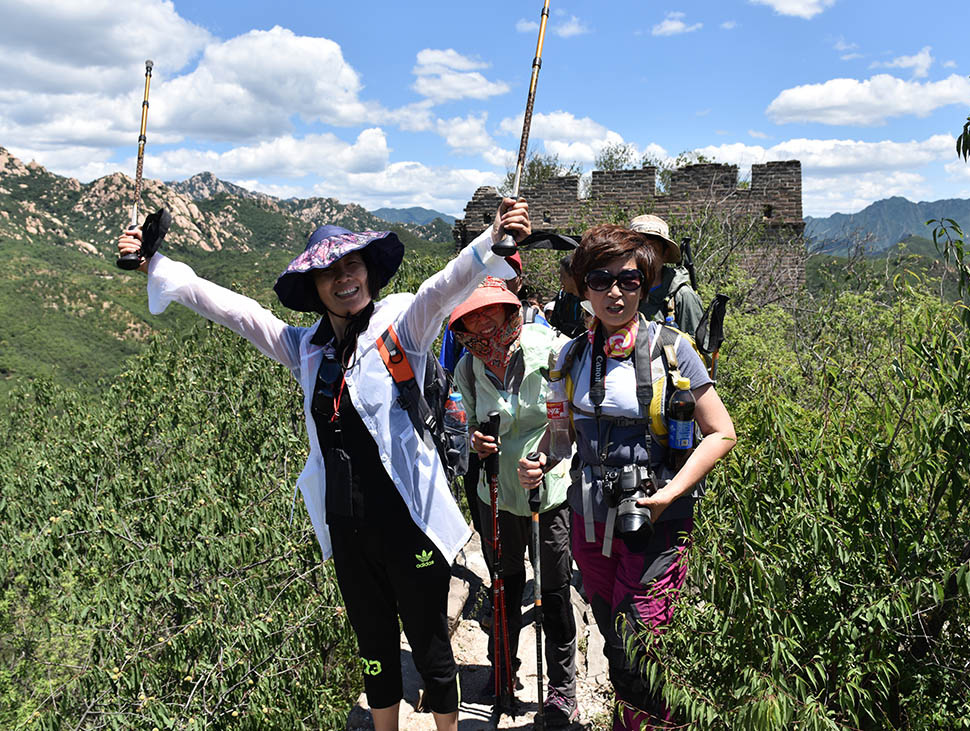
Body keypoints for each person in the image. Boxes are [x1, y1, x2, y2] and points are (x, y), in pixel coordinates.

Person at [116, 198, 531, 731]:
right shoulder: (305, 350)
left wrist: (490, 237)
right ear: (313, 288)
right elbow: (237, 311)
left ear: (369, 271)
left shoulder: (402, 328)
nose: (342, 279)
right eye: (328, 273)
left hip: (411, 527)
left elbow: (441, 288)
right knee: (374, 648)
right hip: (348, 528)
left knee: (430, 648)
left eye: (351, 266)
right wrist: (156, 264)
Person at [518, 224, 736, 730]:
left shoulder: (674, 350)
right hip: (590, 522)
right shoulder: (569, 357)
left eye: (629, 280)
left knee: (636, 643)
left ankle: (661, 722)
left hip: (655, 522)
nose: (615, 292)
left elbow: (721, 433)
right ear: (583, 287)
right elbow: (560, 437)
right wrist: (540, 459)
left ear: (647, 284)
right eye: (601, 279)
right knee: (617, 642)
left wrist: (670, 494)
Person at [448, 278, 578, 726]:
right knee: (502, 585)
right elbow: (465, 423)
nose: (482, 329)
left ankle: (561, 688)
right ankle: (502, 673)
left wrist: (548, 458)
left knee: (555, 591)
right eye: (471, 322)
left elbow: (570, 421)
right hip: (496, 492)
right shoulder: (468, 367)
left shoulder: (554, 351)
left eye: (489, 316)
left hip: (549, 492)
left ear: (509, 312)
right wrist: (477, 442)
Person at [628, 215, 704, 336]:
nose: (644, 256)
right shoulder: (621, 292)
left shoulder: (682, 296)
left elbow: (697, 350)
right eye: (638, 248)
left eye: (651, 249)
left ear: (665, 253)